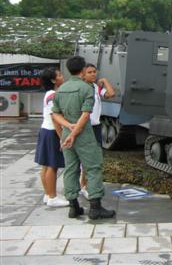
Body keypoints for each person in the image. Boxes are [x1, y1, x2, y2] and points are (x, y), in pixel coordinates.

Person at [51, 56, 116, 220]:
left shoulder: (62, 89)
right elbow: (86, 115)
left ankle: (73, 207)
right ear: (82, 70)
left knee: (70, 169)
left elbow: (55, 114)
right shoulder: (87, 88)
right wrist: (74, 132)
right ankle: (95, 208)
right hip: (84, 134)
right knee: (93, 168)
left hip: (67, 133)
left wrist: (68, 128)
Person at [80, 63, 115, 200]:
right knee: (84, 158)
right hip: (85, 126)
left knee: (93, 158)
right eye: (89, 72)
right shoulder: (81, 88)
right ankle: (83, 185)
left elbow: (111, 94)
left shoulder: (96, 87)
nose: (93, 74)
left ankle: (86, 184)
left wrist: (105, 81)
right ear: (83, 74)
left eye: (94, 72)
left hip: (96, 126)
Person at [34, 67, 69, 207]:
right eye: (59, 75)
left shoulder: (50, 93)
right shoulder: (53, 95)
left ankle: (48, 194)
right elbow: (55, 118)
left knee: (46, 165)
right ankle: (53, 197)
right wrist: (62, 137)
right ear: (54, 80)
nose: (62, 76)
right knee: (52, 166)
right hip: (52, 131)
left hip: (46, 130)